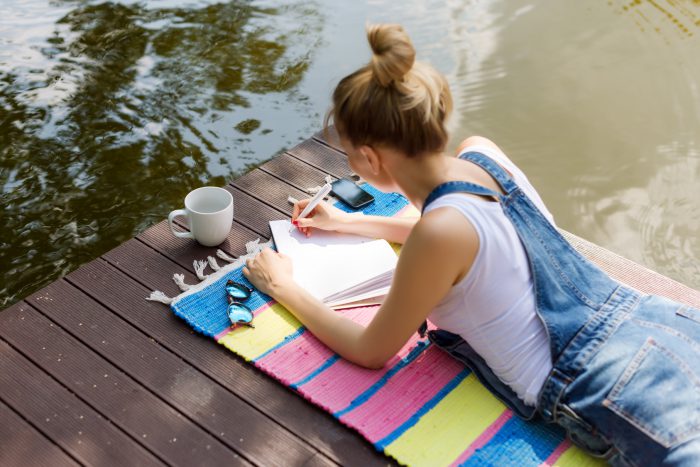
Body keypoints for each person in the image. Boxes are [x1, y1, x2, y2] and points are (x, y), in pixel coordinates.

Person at [242, 23, 700, 466]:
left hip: (604, 377)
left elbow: (371, 350)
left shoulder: (438, 235)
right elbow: (476, 243)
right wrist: (352, 224)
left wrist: (282, 286)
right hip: (658, 321)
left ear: (368, 157)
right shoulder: (482, 156)